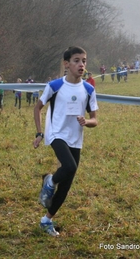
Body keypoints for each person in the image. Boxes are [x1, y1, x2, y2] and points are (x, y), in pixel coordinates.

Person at [33, 46, 98, 236]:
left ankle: (46, 220)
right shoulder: (54, 86)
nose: (81, 64)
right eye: (77, 60)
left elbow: (95, 119)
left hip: (75, 138)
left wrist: (87, 121)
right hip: (56, 134)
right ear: (66, 64)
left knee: (67, 183)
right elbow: (37, 108)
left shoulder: (89, 89)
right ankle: (50, 181)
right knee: (69, 167)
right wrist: (39, 133)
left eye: (84, 61)